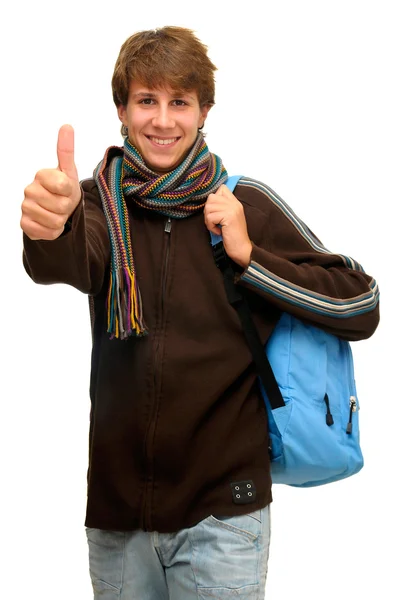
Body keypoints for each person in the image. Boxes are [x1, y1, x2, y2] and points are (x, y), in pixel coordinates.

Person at [20, 26, 380, 600]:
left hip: (224, 517)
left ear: (203, 111)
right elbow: (65, 259)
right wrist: (52, 225)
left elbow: (359, 303)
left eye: (179, 102)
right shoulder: (97, 204)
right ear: (123, 108)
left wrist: (249, 257)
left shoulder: (244, 203)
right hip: (118, 523)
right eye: (147, 100)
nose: (163, 120)